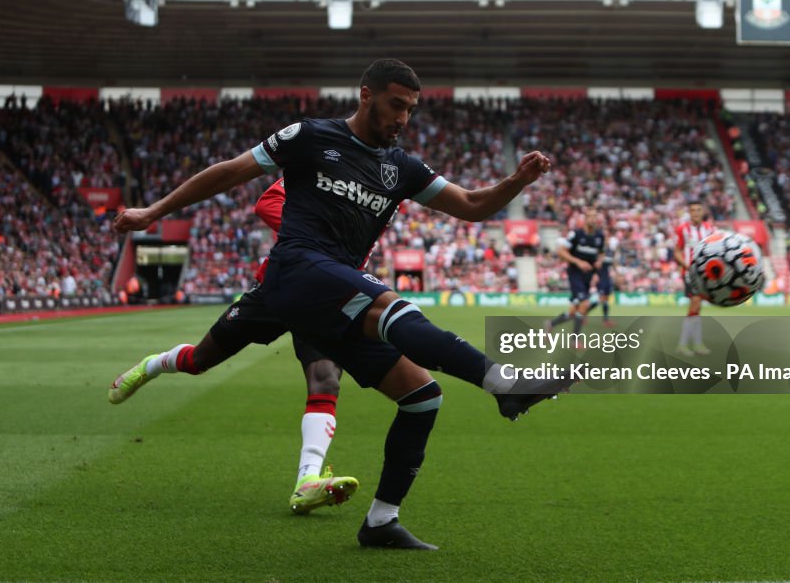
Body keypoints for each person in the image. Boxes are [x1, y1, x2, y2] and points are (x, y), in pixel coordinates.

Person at [111, 59, 568, 549]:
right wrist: (152, 212)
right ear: (366, 95)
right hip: (296, 271)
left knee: (422, 397)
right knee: (389, 309)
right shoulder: (309, 137)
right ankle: (503, 383)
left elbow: (473, 205)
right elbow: (230, 172)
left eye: (411, 110)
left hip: (334, 292)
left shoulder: (402, 168)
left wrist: (517, 181)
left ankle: (381, 521)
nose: (403, 119)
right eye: (396, 106)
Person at [109, 177, 360, 516]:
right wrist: (320, 234)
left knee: (326, 379)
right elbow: (267, 203)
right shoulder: (325, 160)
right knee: (200, 359)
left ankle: (307, 480)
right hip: (281, 285)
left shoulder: (387, 183)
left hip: (328, 295)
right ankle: (153, 365)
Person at [545, 207, 606, 338]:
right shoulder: (576, 234)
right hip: (575, 274)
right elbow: (561, 251)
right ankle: (575, 340)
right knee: (585, 304)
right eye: (590, 216)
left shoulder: (600, 236)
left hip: (588, 276)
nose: (593, 219)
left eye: (595, 216)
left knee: (573, 311)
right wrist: (578, 261)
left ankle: (551, 324)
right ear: (585, 218)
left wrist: (600, 261)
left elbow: (601, 253)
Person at [673, 200, 715, 356]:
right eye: (693, 210)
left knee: (697, 308)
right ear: (689, 213)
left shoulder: (709, 229)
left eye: (698, 209)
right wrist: (686, 265)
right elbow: (677, 251)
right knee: (695, 303)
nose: (696, 213)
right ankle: (683, 344)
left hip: (704, 274)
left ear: (702, 211)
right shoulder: (682, 229)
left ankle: (697, 344)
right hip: (690, 272)